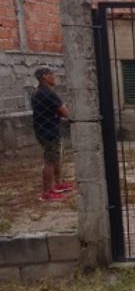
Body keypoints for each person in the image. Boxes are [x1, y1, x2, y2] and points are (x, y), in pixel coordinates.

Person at [31, 67, 73, 201]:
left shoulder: (37, 92)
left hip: (44, 129)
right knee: (50, 161)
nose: (54, 76)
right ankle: (47, 192)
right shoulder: (48, 93)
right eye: (52, 74)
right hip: (49, 131)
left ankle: (58, 184)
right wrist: (72, 117)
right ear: (44, 76)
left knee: (56, 157)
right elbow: (65, 112)